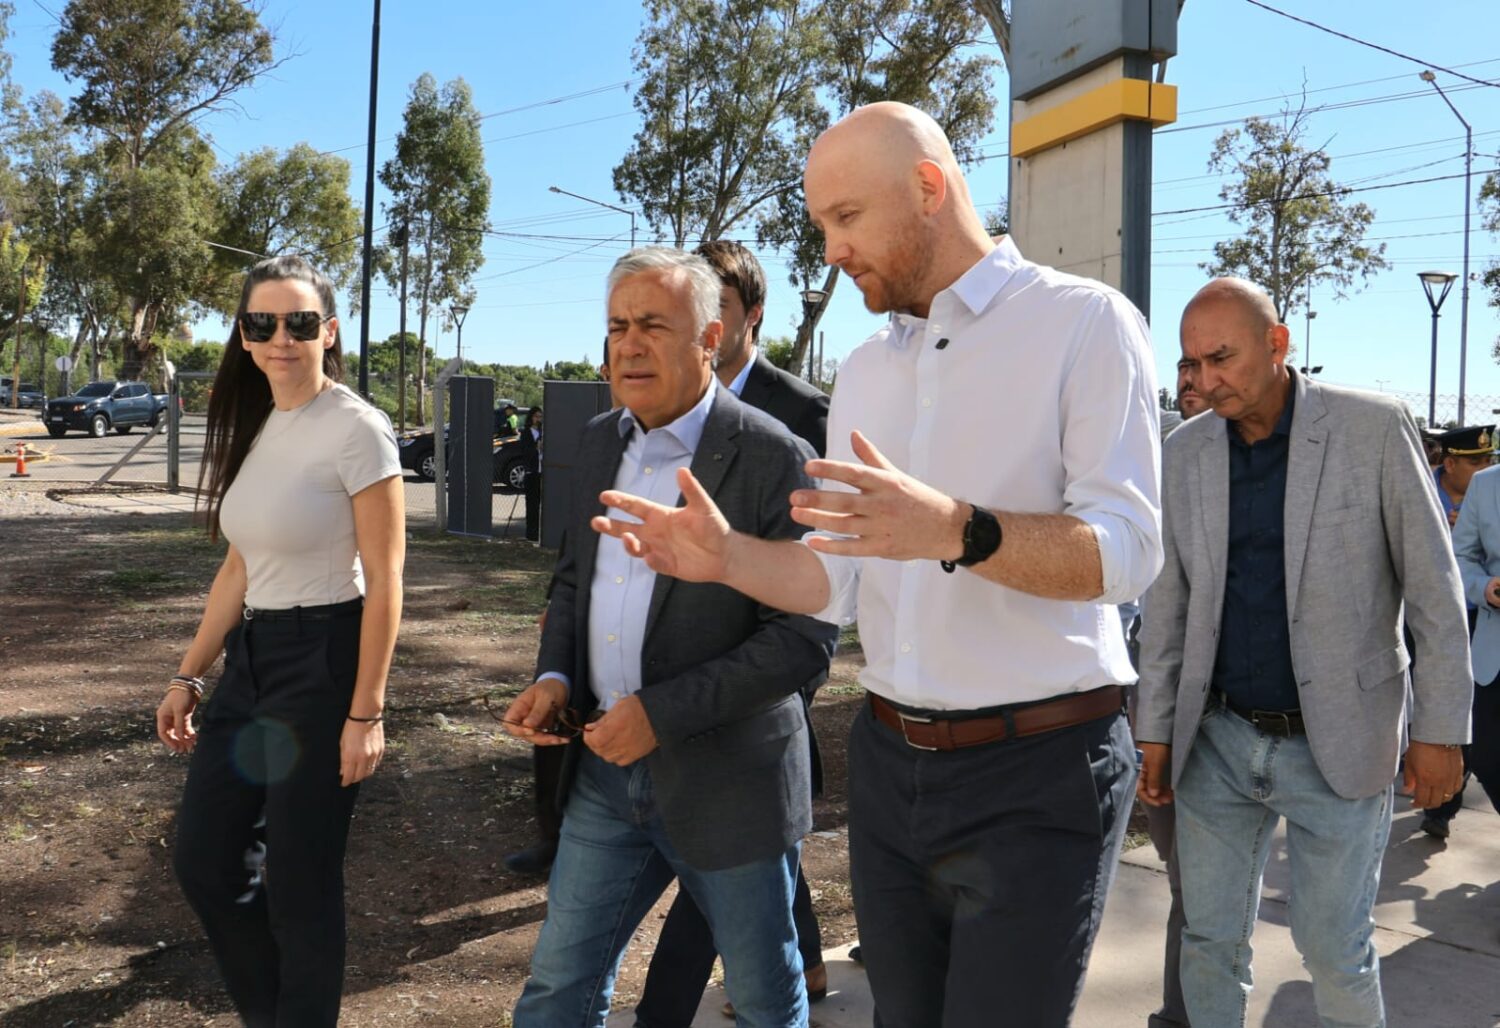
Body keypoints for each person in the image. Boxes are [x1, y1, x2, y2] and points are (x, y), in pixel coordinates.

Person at [591, 102, 1162, 1026]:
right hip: (891, 767)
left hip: (1039, 770)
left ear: (929, 187)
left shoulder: (1085, 326)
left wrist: (957, 530)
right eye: (820, 224)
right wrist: (730, 558)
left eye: (846, 219)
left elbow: (1129, 554)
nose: (829, 250)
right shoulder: (866, 368)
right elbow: (831, 584)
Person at [503, 246, 835, 1027]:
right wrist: (555, 678)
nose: (629, 343)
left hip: (732, 787)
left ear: (709, 339)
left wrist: (662, 713)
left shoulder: (776, 456)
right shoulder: (593, 442)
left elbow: (803, 639)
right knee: (556, 989)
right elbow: (574, 583)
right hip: (607, 780)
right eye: (618, 325)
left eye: (654, 324)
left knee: (761, 998)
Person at [1136, 277, 1470, 1028]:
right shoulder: (1185, 452)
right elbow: (1169, 603)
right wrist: (1153, 729)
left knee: (1334, 949)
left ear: (1278, 344)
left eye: (1221, 358)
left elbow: (1435, 594)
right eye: (1192, 363)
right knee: (1209, 942)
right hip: (1216, 742)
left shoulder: (1373, 429)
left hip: (1341, 741)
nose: (1204, 380)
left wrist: (1441, 732)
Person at [156, 255, 405, 1026]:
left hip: (324, 662)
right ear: (244, 336)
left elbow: (388, 580)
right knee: (204, 860)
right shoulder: (262, 426)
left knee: (301, 882)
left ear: (329, 333)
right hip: (254, 664)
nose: (282, 338)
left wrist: (367, 713)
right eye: (263, 324)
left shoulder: (359, 430)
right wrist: (189, 674)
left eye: (300, 323)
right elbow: (240, 565)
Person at [633, 241, 832, 1027]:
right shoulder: (643, 413)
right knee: (755, 880)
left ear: (748, 317)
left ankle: (668, 1012)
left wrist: (781, 685)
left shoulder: (803, 417)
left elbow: (816, 578)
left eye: (716, 304)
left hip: (757, 693)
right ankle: (804, 964)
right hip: (664, 699)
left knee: (729, 873)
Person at [1419, 424, 1500, 837]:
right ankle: (1440, 806)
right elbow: (1461, 555)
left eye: (1487, 456)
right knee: (1480, 745)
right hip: (1467, 634)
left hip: (1478, 629)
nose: (1483, 464)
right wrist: (1484, 586)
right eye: (1475, 459)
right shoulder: (1482, 488)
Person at [1432, 424, 1495, 528]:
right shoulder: (1421, 492)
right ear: (1450, 464)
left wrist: (1482, 531)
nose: (1486, 469)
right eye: (1475, 462)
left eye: (1488, 460)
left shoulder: (1495, 495)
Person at [519, 405, 544, 542]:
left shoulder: (543, 431)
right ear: (531, 417)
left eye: (540, 417)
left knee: (540, 503)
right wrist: (536, 447)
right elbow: (524, 450)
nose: (538, 419)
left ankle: (540, 532)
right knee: (532, 504)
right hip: (531, 471)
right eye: (536, 416)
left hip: (542, 470)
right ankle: (531, 533)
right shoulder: (526, 432)